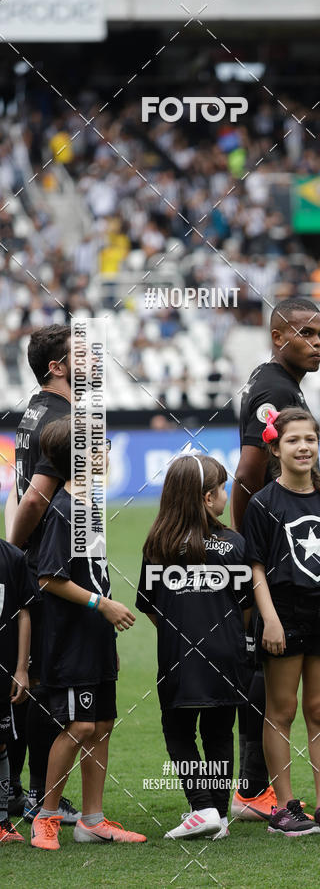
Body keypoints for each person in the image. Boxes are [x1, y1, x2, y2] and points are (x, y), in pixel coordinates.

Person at [242, 406, 320, 836]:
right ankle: (284, 807)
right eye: (293, 440)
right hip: (283, 616)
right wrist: (269, 620)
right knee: (282, 710)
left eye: (309, 439)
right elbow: (255, 567)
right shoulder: (262, 503)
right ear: (275, 447)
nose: (303, 447)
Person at [230, 297, 320, 821]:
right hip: (271, 553)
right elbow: (247, 473)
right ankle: (252, 790)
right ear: (277, 337)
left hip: (273, 548)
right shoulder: (274, 388)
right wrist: (250, 549)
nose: (316, 344)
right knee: (266, 670)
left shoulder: (274, 382)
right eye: (306, 334)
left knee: (266, 668)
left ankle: (255, 788)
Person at [30, 416, 146, 850]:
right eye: (100, 445)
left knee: (102, 724)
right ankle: (47, 815)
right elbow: (49, 577)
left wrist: (108, 634)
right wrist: (103, 606)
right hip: (71, 639)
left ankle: (92, 821)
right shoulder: (63, 510)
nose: (107, 451)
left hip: (96, 638)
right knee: (79, 725)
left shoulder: (88, 506)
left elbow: (93, 576)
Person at [136, 449, 253, 841]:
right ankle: (216, 814)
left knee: (178, 730)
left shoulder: (158, 545)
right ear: (207, 498)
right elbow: (246, 607)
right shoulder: (234, 544)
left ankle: (202, 805)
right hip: (227, 655)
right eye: (222, 488)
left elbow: (150, 608)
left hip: (179, 659)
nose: (226, 494)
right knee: (220, 732)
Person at [4, 325, 79, 824]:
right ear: (56, 366)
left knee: (36, 679)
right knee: (51, 682)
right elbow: (34, 496)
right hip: (48, 560)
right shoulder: (63, 416)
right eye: (80, 356)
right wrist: (16, 551)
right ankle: (36, 796)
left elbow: (21, 489)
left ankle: (23, 793)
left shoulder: (33, 409)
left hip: (34, 561)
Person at [0, 538, 38, 842]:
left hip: (3, 670)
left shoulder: (11, 557)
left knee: (0, 743)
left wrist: (22, 668)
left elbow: (25, 611)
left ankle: (1, 822)